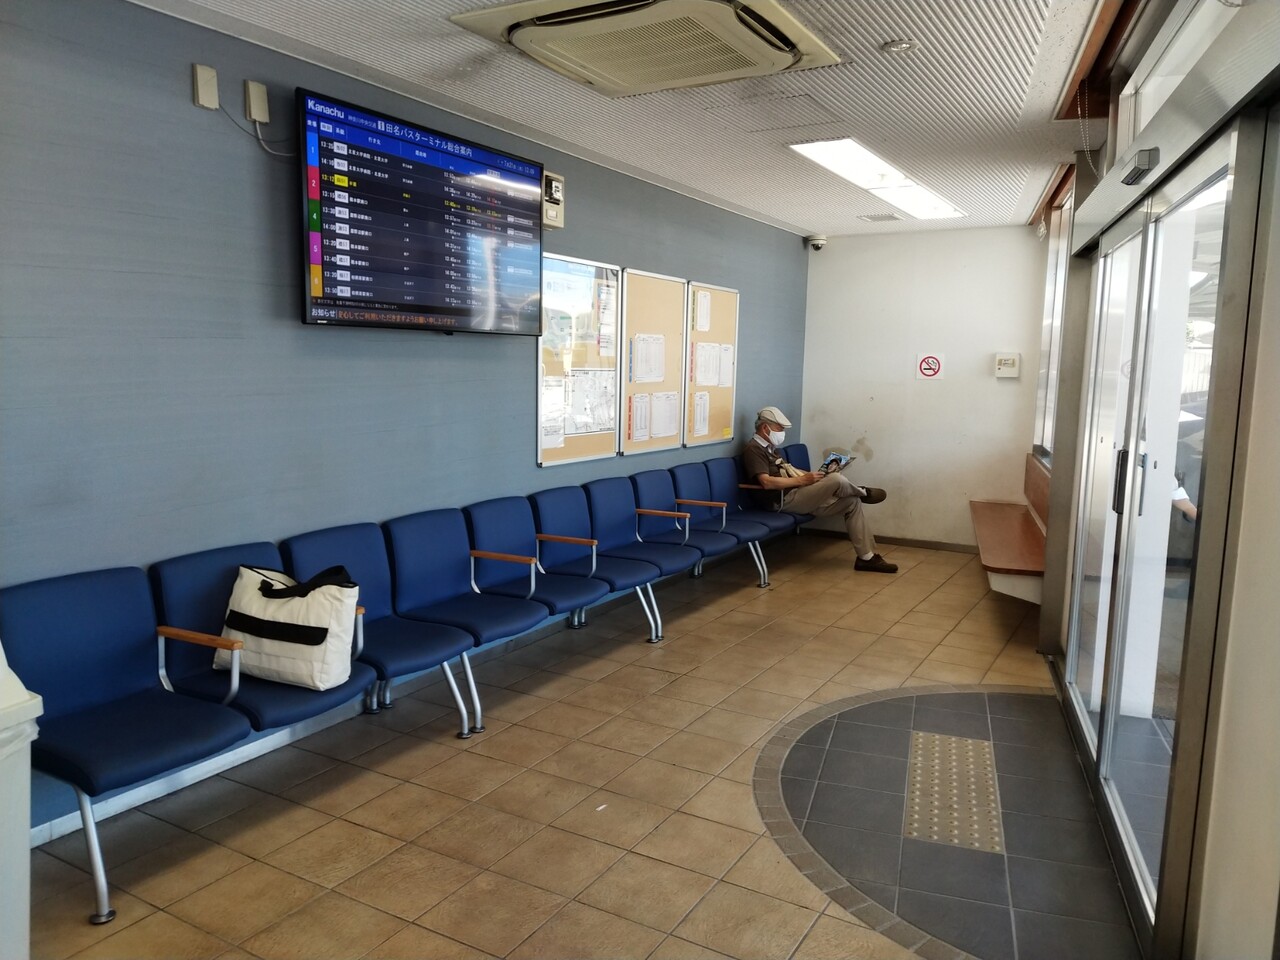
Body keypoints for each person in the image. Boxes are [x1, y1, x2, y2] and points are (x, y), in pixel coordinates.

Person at [742, 406, 898, 573]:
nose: (782, 433)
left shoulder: (770, 448)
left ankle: (866, 558)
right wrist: (803, 480)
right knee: (836, 479)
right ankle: (862, 492)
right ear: (765, 428)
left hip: (799, 495)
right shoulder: (754, 449)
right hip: (782, 500)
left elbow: (788, 470)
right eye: (779, 429)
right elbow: (766, 482)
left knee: (851, 502)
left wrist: (815, 476)